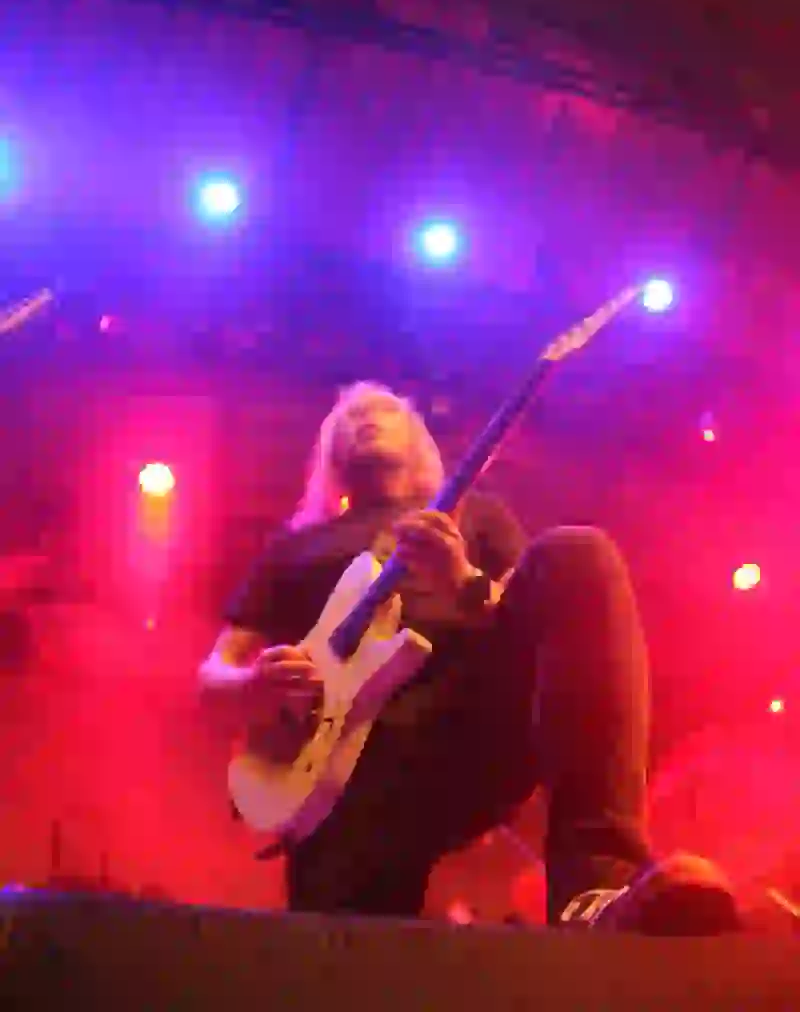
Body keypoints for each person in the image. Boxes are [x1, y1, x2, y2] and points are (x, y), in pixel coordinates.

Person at [199, 381, 740, 932]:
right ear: (329, 449)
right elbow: (213, 674)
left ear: (417, 439)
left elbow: (541, 622)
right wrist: (251, 686)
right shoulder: (296, 546)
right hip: (337, 779)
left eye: (383, 409)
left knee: (580, 554)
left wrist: (464, 582)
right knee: (342, 956)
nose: (363, 416)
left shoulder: (473, 516)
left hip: (461, 731)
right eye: (349, 415)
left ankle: (596, 884)